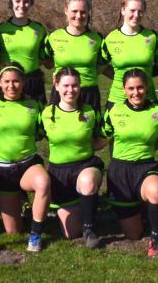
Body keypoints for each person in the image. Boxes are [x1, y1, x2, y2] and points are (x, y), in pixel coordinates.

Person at [0, 62, 49, 252]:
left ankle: (35, 236)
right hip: (2, 170)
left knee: (43, 182)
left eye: (16, 81)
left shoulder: (34, 105)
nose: (12, 86)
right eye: (7, 81)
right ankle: (21, 204)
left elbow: (43, 133)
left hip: (27, 165)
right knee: (13, 231)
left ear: (23, 82)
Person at [102, 68, 158, 258]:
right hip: (120, 172)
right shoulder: (114, 111)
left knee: (156, 191)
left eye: (140, 87)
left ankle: (155, 241)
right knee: (133, 234)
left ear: (147, 87)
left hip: (145, 168)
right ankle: (142, 209)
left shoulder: (157, 112)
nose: (136, 92)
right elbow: (101, 140)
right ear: (124, 89)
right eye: (131, 88)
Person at [41, 67, 108, 249]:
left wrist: (113, 135)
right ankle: (86, 205)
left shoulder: (90, 113)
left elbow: (99, 140)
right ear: (56, 86)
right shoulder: (46, 114)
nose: (70, 90)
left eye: (75, 85)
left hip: (85, 165)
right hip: (59, 172)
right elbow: (34, 137)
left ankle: (89, 229)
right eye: (66, 86)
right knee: (70, 234)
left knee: (87, 181)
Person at [43, 0, 104, 113]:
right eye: (74, 11)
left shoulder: (97, 38)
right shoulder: (54, 37)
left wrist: (87, 76)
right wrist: (58, 75)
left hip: (89, 94)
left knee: (91, 131)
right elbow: (46, 62)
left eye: (83, 12)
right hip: (62, 93)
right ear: (66, 11)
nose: (79, 15)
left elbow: (103, 64)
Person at [101, 0, 158, 109]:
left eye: (140, 11)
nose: (136, 15)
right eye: (132, 10)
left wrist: (145, 75)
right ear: (123, 10)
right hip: (118, 100)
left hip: (148, 100)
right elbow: (101, 67)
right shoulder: (111, 38)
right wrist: (121, 77)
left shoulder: (152, 37)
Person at [0, 0, 49, 103]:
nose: (22, 5)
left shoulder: (39, 29)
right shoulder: (0, 29)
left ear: (31, 3)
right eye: (17, 1)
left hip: (33, 83)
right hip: (8, 82)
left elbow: (45, 59)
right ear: (11, 3)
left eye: (26, 1)